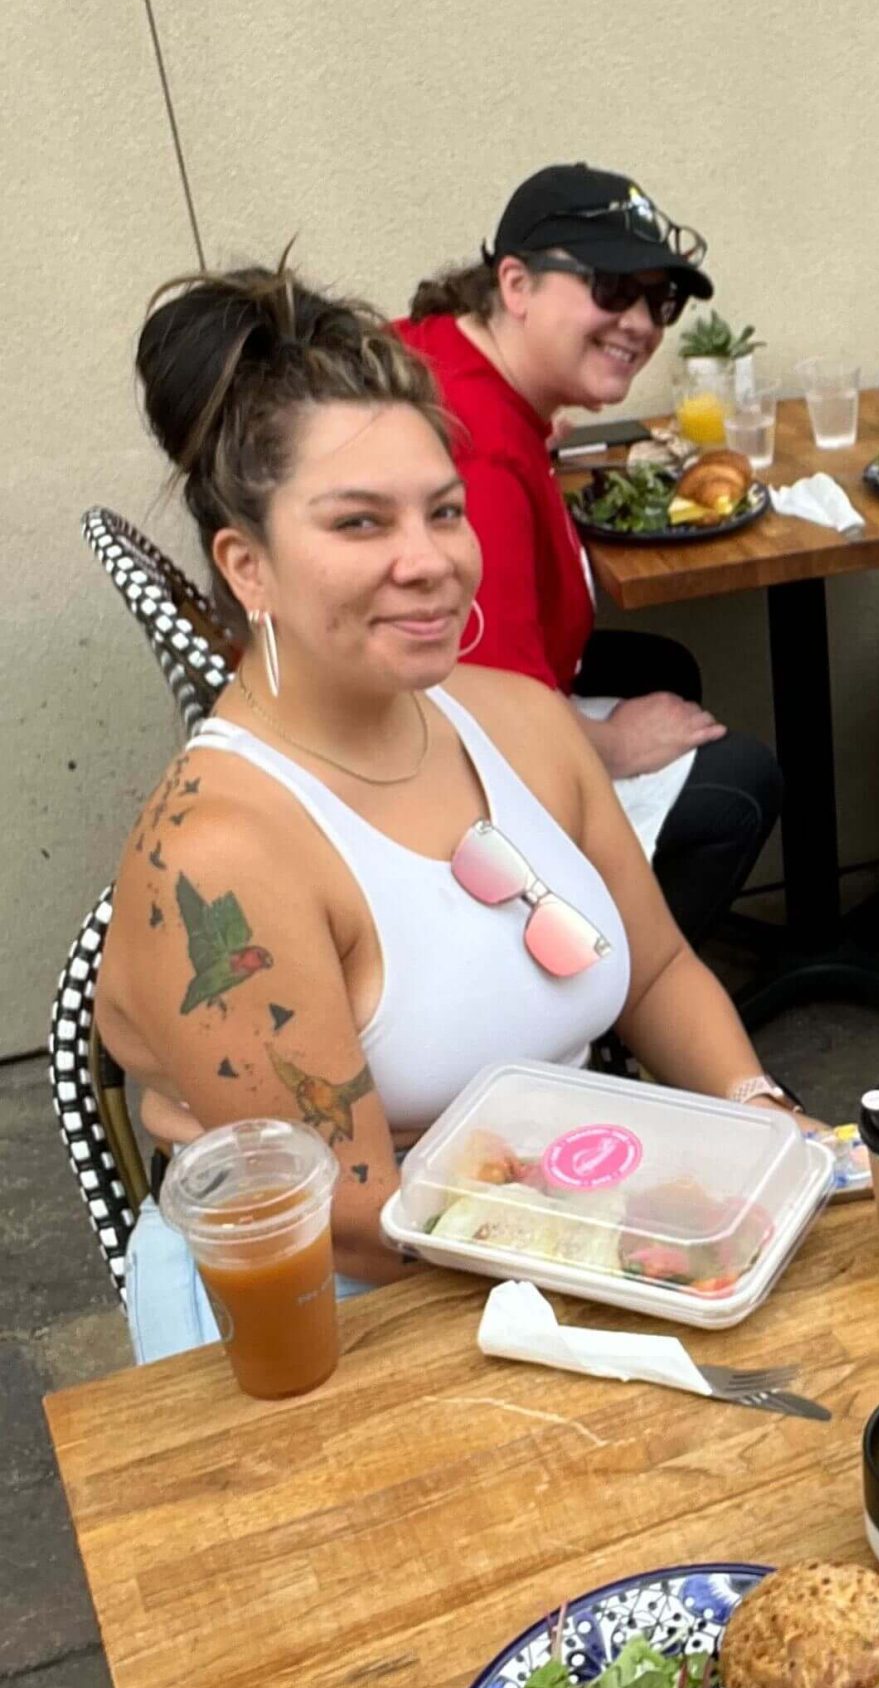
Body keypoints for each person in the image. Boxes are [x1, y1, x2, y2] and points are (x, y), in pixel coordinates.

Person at [97, 264, 817, 1361]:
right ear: (247, 566)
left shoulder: (518, 718)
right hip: (346, 1321)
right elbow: (353, 1217)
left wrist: (761, 1116)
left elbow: (661, 969)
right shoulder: (220, 858)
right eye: (358, 522)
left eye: (444, 510)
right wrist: (653, 1231)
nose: (428, 561)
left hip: (558, 1235)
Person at [397, 163, 781, 945]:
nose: (640, 321)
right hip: (431, 775)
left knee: (661, 668)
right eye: (611, 288)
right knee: (746, 779)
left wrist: (539, 422)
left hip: (400, 723)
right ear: (515, 284)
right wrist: (613, 746)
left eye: (658, 300)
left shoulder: (450, 358)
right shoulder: (477, 459)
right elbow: (483, 707)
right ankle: (613, 993)